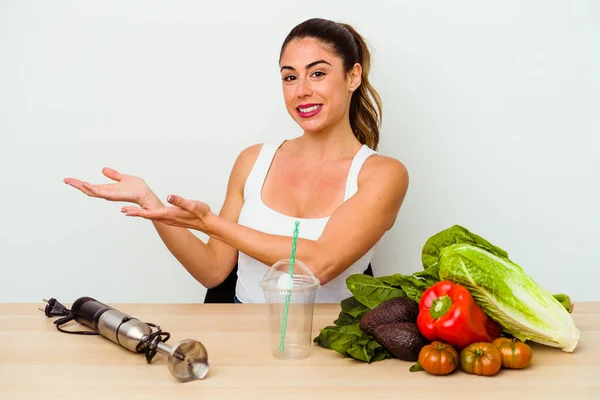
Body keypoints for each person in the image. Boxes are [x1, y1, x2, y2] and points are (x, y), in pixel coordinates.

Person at [64, 17, 409, 304]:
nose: (301, 90)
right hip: (242, 338)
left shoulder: (382, 174)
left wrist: (212, 224)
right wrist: (149, 202)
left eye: (317, 73)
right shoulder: (253, 161)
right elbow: (214, 270)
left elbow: (318, 265)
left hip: (334, 350)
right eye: (290, 77)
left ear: (352, 76)